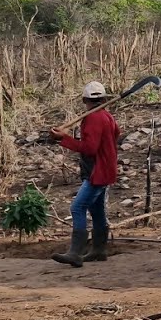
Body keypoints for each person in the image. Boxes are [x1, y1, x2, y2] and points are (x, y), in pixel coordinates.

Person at [50, 81, 121, 267]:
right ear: (104, 99)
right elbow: (116, 135)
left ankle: (75, 252)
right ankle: (98, 250)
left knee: (77, 207)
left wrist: (64, 138)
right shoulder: (107, 116)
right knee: (96, 210)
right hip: (105, 169)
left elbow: (89, 149)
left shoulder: (94, 118)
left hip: (98, 172)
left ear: (84, 100)